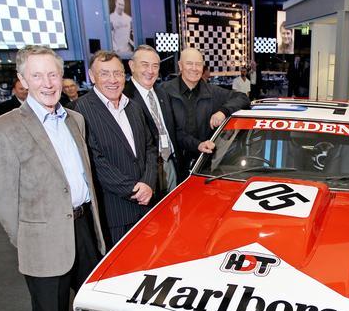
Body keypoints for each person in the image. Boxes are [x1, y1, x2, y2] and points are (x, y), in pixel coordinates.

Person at [0, 45, 106, 311]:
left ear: (62, 77)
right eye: (36, 76)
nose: (47, 83)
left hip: (84, 231)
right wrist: (28, 238)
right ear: (22, 80)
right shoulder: (3, 129)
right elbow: (1, 197)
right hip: (43, 243)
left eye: (52, 74)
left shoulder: (75, 121)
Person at [74, 50, 157, 246]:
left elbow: (150, 148)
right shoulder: (81, 110)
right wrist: (134, 190)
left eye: (117, 73)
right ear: (92, 77)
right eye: (104, 73)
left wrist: (148, 182)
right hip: (115, 213)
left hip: (147, 206)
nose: (113, 80)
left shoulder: (133, 107)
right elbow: (94, 161)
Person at [161, 47, 249, 177]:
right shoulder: (164, 91)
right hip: (172, 164)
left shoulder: (212, 92)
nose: (194, 68)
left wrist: (223, 111)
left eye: (198, 64)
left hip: (203, 165)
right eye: (189, 63)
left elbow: (243, 98)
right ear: (180, 65)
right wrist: (197, 144)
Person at [124, 45, 180, 196]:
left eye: (155, 66)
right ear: (131, 66)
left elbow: (172, 129)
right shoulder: (124, 98)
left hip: (170, 164)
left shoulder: (162, 93)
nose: (150, 71)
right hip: (145, 173)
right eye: (145, 65)